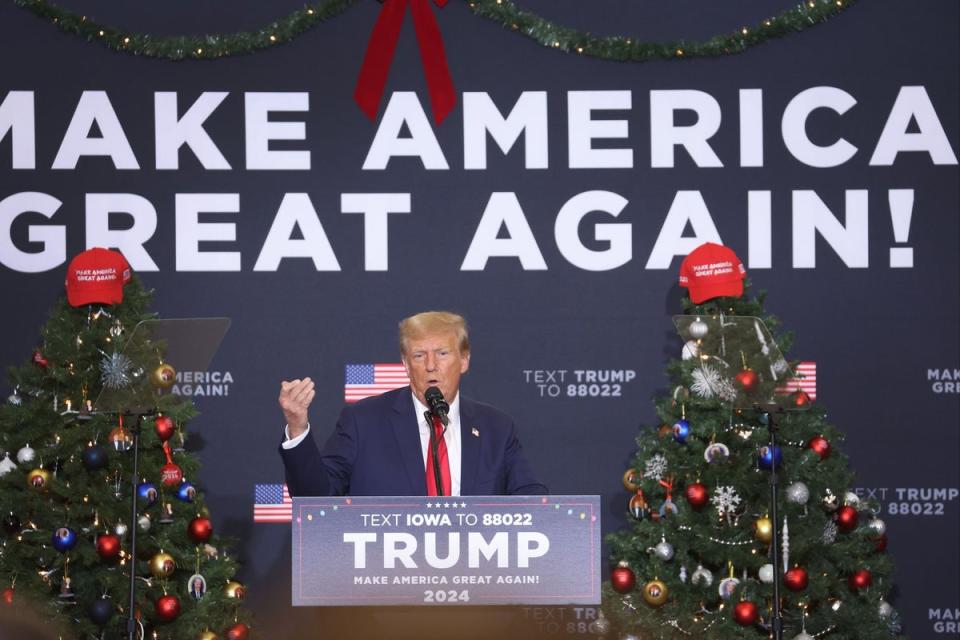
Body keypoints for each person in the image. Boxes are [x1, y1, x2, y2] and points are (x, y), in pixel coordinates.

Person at [278, 311, 546, 496]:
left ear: (464, 360)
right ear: (406, 364)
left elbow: (530, 503)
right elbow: (315, 497)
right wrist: (298, 428)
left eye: (442, 353)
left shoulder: (495, 428)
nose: (431, 366)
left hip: (475, 572)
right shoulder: (363, 421)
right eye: (419, 355)